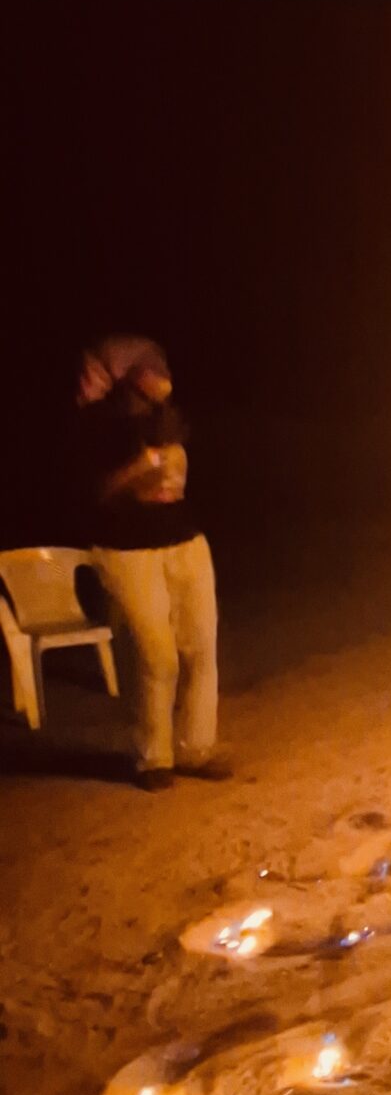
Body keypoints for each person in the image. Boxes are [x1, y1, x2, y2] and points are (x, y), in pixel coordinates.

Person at [75, 336, 228, 791]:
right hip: (126, 548)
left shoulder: (171, 417)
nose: (158, 376)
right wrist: (135, 472)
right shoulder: (95, 424)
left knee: (201, 645)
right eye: (145, 371)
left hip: (183, 538)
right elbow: (91, 495)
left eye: (158, 368)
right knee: (156, 654)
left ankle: (197, 750)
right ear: (124, 379)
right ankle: (151, 758)